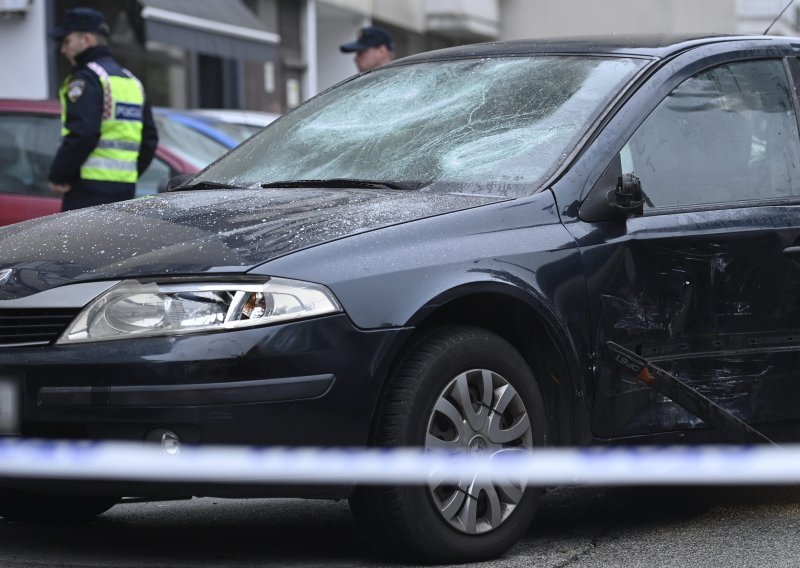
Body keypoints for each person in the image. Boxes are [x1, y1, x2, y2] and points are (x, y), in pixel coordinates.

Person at [47, 7, 158, 211]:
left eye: (67, 41)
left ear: (87, 40)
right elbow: (149, 140)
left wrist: (58, 175)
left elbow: (83, 133)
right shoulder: (131, 81)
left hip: (86, 192)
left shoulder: (86, 79)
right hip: (125, 191)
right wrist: (128, 175)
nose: (63, 50)